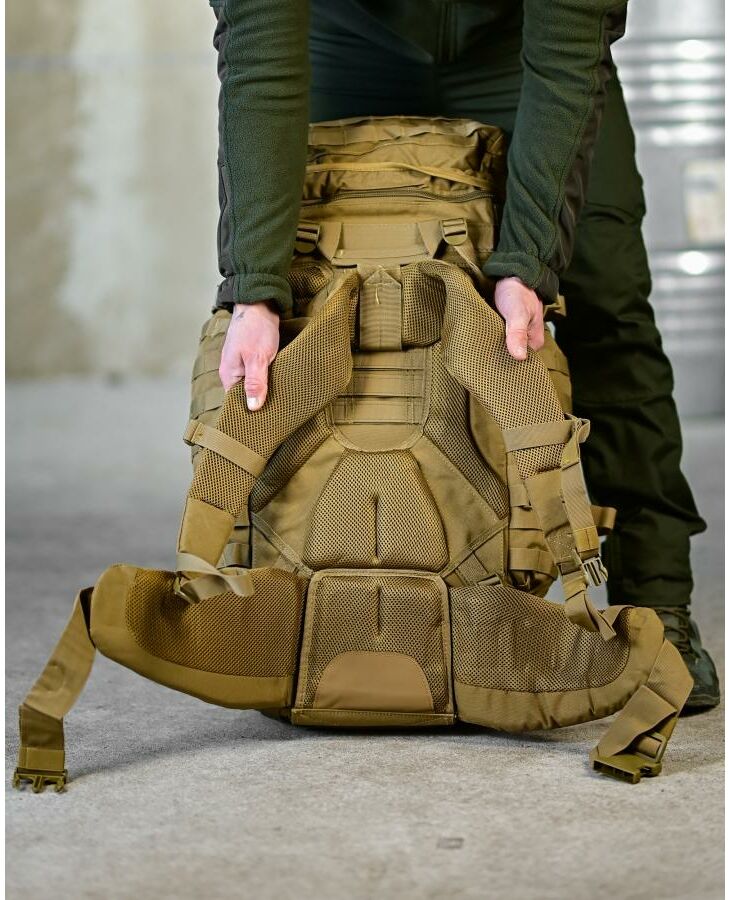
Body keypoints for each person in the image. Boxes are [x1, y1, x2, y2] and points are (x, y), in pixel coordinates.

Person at [205, 0, 719, 710]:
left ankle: (657, 600)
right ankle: (309, 597)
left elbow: (568, 50)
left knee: (604, 300)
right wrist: (256, 289)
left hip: (522, 51)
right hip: (340, 41)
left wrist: (528, 263)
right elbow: (261, 46)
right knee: (295, 307)